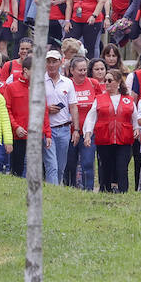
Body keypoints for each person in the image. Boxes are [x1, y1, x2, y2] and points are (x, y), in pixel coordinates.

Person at [65, 55, 101, 189]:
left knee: (87, 163)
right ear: (72, 70)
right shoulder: (67, 84)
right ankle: (70, 190)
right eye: (80, 70)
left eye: (85, 70)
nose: (83, 73)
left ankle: (88, 190)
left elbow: (100, 104)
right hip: (69, 132)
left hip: (88, 133)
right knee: (70, 164)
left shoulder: (93, 83)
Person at [43, 49, 77, 185]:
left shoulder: (68, 82)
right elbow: (32, 104)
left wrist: (76, 129)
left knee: (61, 166)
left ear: (60, 63)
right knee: (52, 165)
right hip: (47, 129)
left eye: (54, 62)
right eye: (48, 62)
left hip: (64, 128)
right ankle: (53, 192)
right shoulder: (40, 81)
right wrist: (46, 109)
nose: (51, 65)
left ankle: (56, 192)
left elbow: (73, 106)